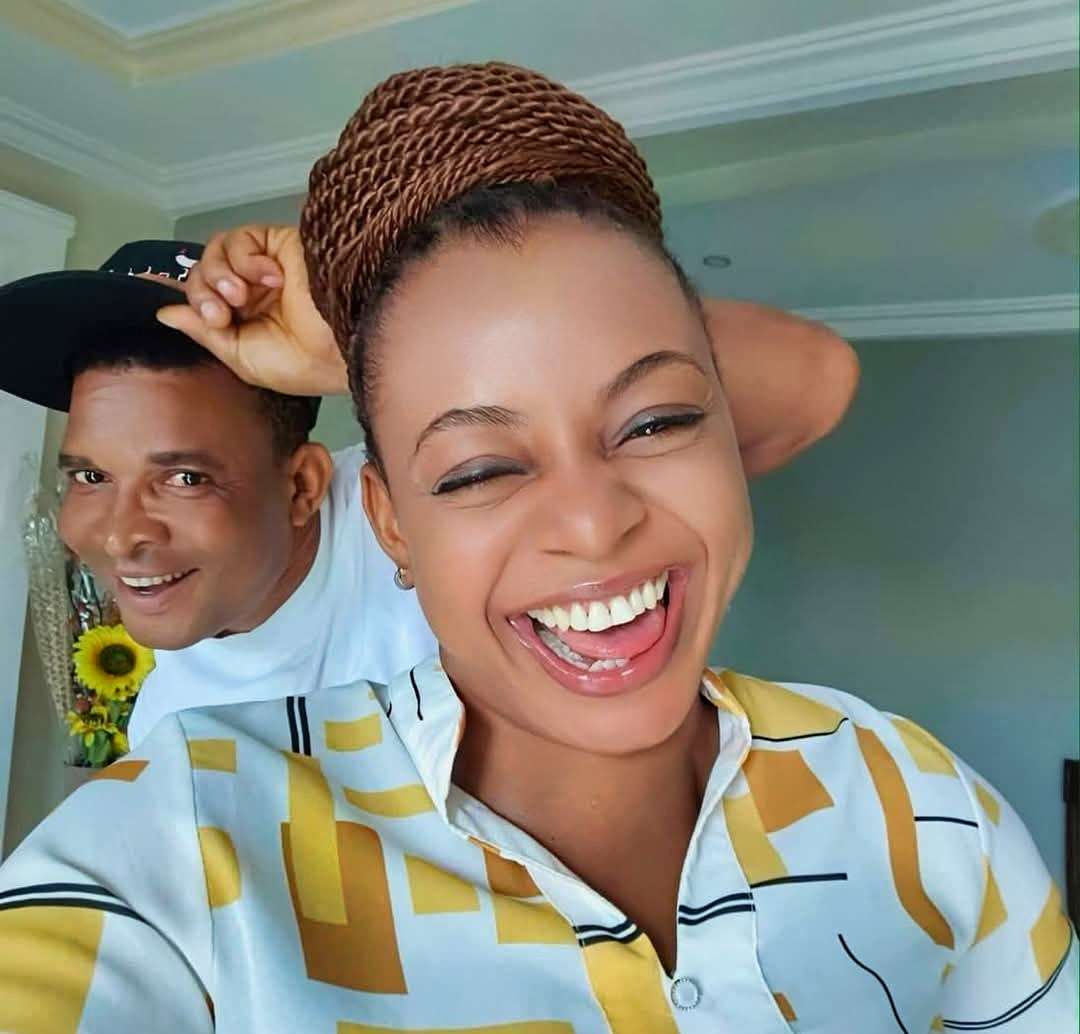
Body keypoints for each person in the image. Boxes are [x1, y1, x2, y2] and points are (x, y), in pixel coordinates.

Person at [0, 62, 1073, 1033]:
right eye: (477, 470)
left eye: (657, 422)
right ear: (391, 519)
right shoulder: (179, 824)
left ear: (309, 487)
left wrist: (380, 328)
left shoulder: (918, 800)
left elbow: (815, 378)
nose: (593, 524)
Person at [1, 235, 855, 750]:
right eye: (90, 477)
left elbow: (812, 381)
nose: (119, 534)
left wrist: (373, 346)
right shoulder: (171, 730)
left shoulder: (439, 491)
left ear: (305, 486)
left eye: (185, 477)